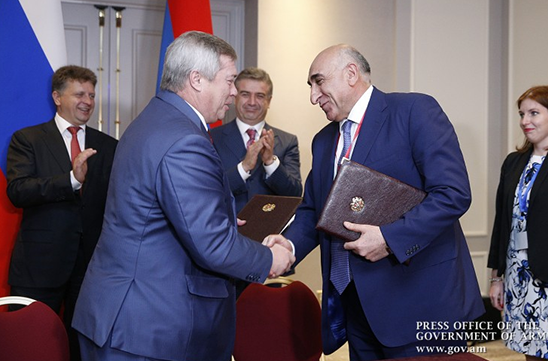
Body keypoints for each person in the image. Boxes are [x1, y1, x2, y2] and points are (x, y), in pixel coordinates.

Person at [71, 31, 295, 361]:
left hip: (126, 318)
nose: (233, 92)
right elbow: (213, 245)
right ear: (197, 80)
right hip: (146, 330)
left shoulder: (156, 119)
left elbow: (157, 210)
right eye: (230, 81)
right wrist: (270, 260)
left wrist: (218, 216)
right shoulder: (184, 139)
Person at [264, 44, 484, 360]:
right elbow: (314, 208)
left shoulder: (414, 112)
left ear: (351, 73)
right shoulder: (323, 140)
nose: (313, 96)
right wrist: (289, 246)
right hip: (356, 307)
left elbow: (453, 194)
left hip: (421, 302)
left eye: (318, 81)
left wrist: (389, 240)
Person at [6, 65, 118, 361]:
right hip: (38, 268)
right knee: (29, 347)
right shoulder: (28, 139)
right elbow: (17, 191)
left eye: (92, 95)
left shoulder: (108, 145)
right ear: (57, 97)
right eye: (79, 93)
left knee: (82, 348)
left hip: (92, 270)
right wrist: (71, 180)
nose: (88, 101)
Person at [488, 85, 548, 360]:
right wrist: (496, 277)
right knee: (530, 352)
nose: (525, 121)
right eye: (522, 114)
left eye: (534, 113)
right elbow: (501, 222)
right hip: (517, 275)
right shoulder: (513, 162)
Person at [210, 67, 302, 212]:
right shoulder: (212, 138)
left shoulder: (287, 142)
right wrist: (244, 167)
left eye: (260, 96)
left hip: (271, 232)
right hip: (226, 230)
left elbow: (294, 195)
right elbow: (209, 191)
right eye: (245, 94)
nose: (252, 102)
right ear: (235, 96)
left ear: (269, 101)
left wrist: (270, 162)